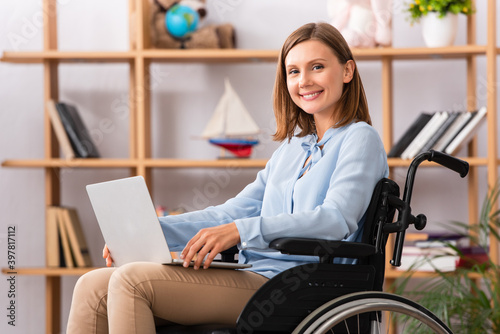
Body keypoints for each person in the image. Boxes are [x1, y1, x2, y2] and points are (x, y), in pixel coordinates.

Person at [67, 22, 389, 334]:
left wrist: (241, 231)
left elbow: (335, 219)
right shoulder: (292, 148)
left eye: (316, 67)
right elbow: (230, 212)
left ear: (347, 71)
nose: (304, 80)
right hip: (254, 274)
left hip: (297, 286)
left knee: (132, 280)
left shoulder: (360, 138)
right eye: (293, 71)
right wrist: (153, 232)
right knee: (93, 285)